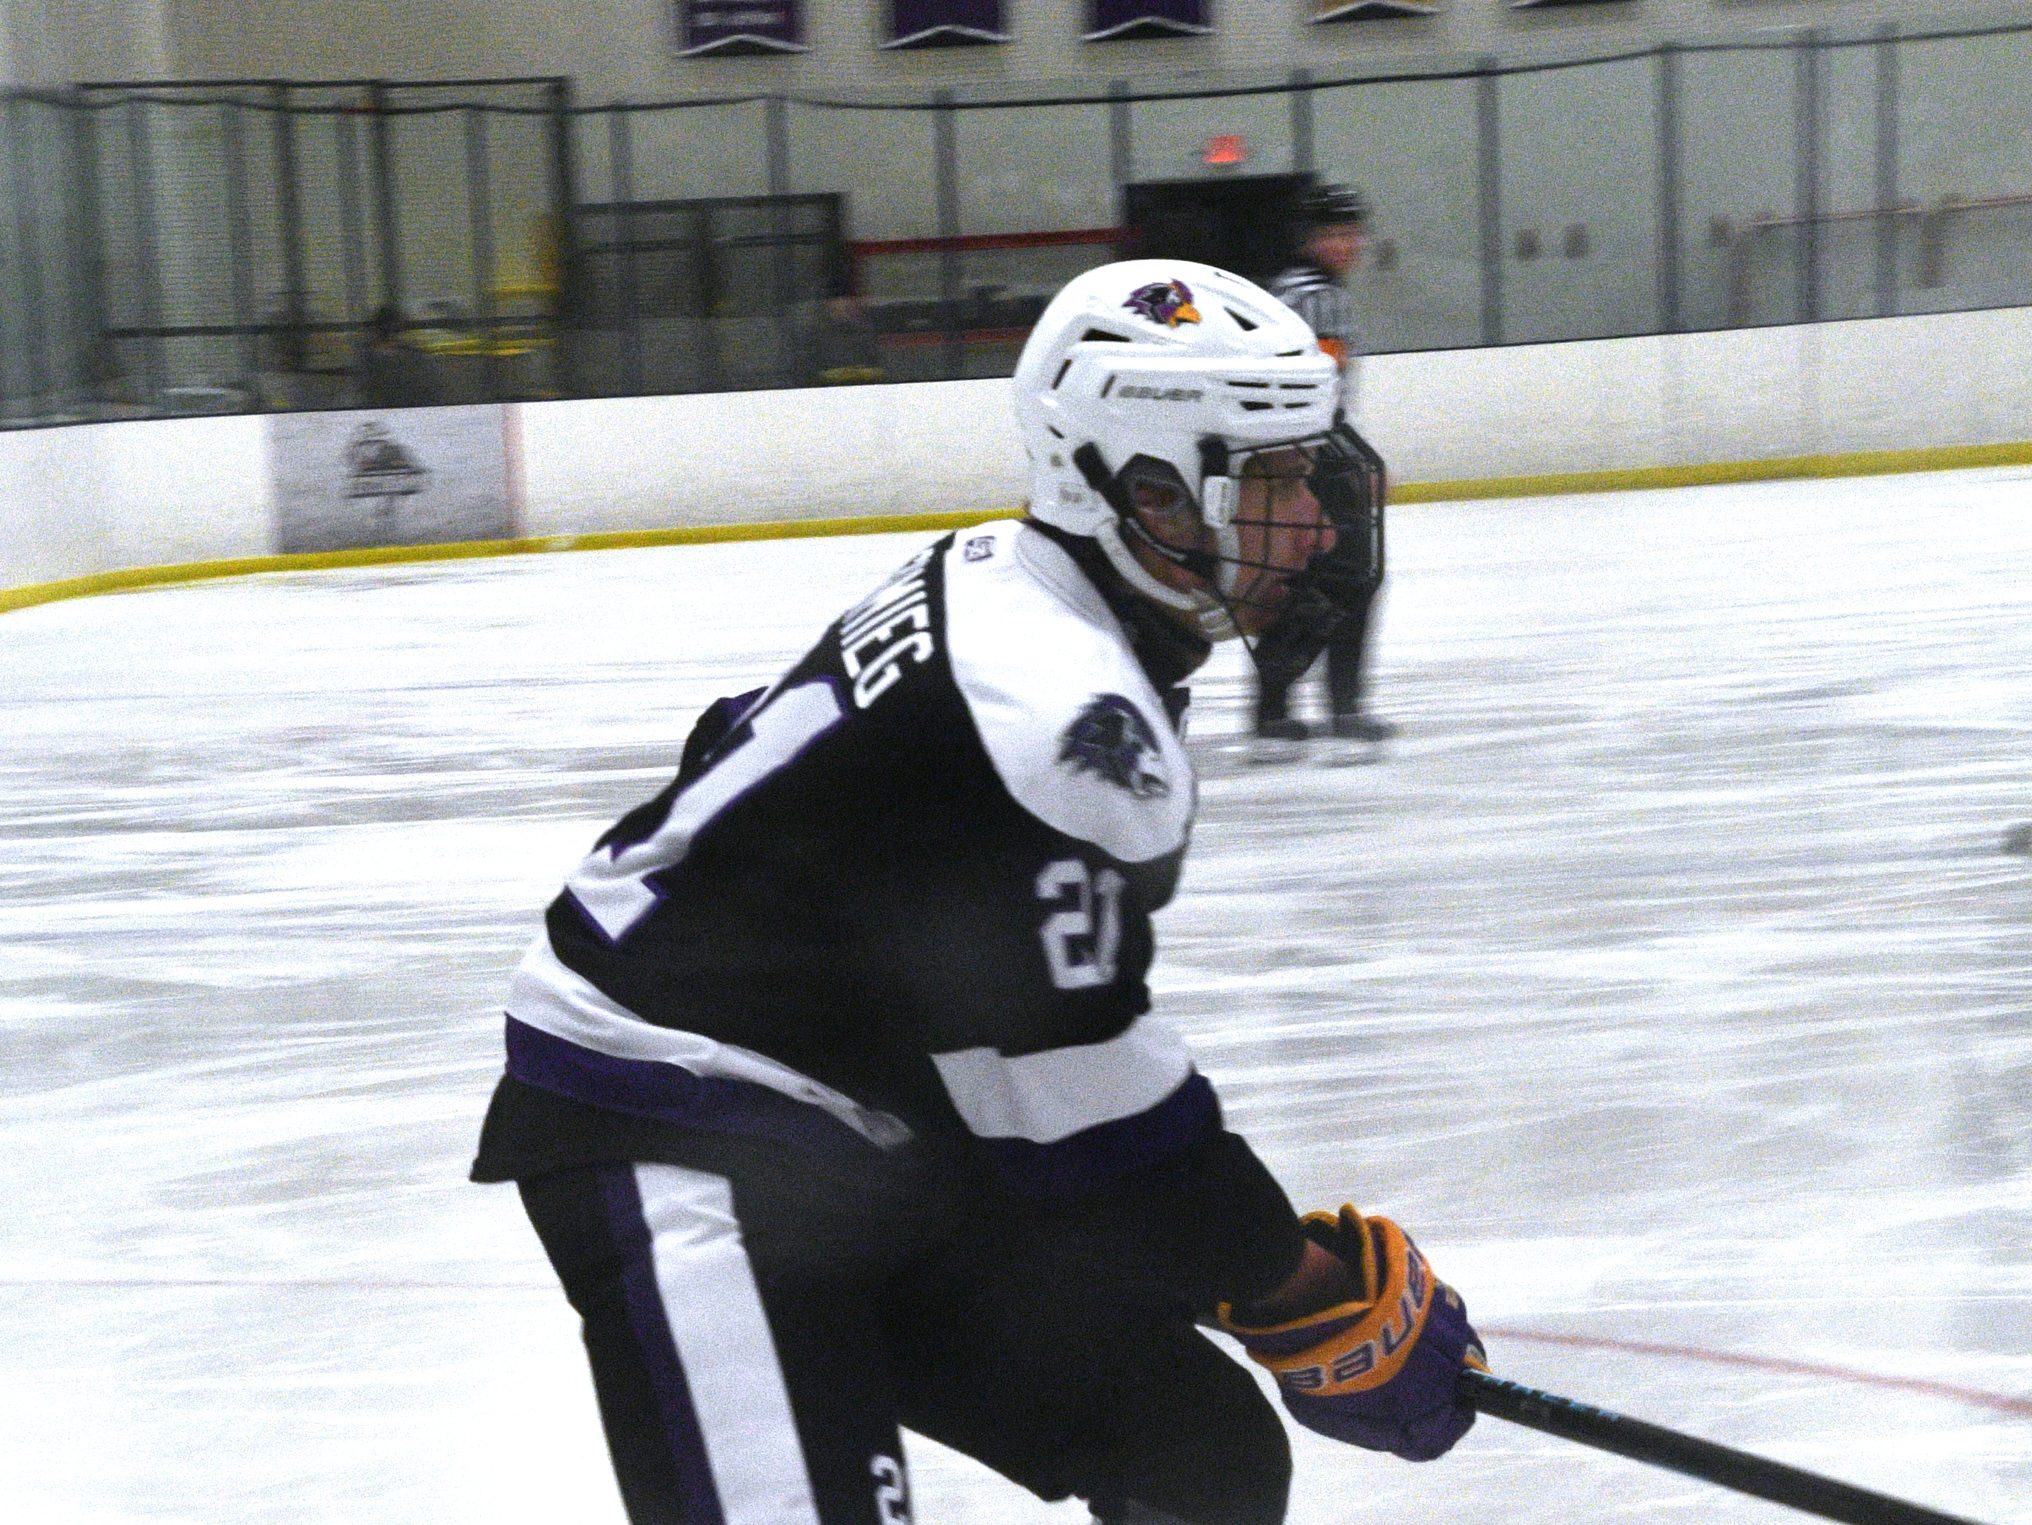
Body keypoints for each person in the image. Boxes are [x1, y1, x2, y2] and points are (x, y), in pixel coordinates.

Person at [470, 258, 1483, 1525]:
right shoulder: (1058, 714)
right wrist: (1293, 1284)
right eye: (1272, 480)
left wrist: (1254, 1268)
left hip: (866, 1115)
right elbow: (1094, 1125)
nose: (1321, 526)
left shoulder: (1023, 583)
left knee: (1192, 1452)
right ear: (1145, 490)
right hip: (680, 1121)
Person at [1256, 184, 1394, 761]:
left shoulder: (1280, 291)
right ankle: (1338, 705)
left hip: (1286, 454)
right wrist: (1356, 458)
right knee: (1352, 576)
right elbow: (1318, 394)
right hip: (1314, 454)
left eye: (1349, 233)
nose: (1344, 246)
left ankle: (1276, 708)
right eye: (1332, 235)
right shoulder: (1319, 301)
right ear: (1309, 240)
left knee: (1306, 582)